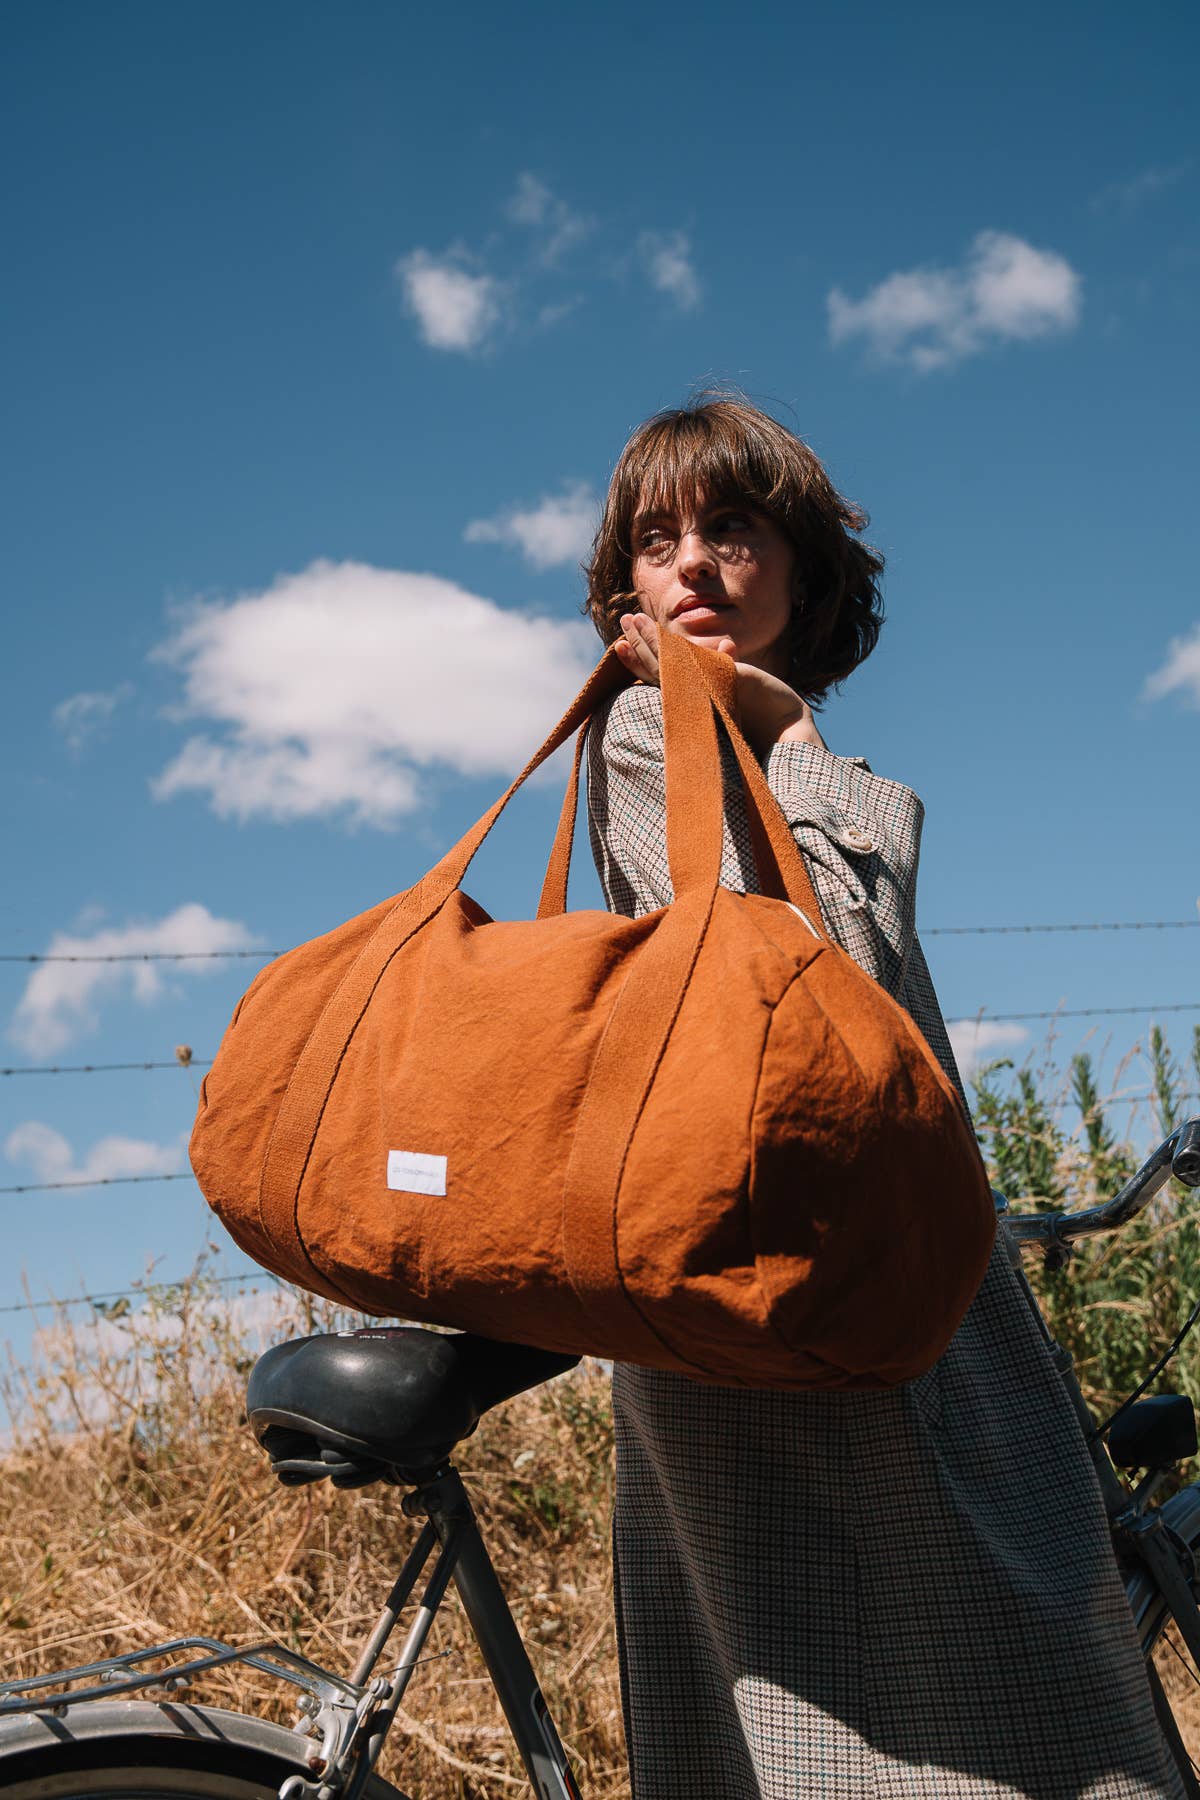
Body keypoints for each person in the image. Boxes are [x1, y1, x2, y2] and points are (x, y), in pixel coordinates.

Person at [581, 396, 1180, 1799]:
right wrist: (790, 740)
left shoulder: (729, 747)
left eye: (733, 527)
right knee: (975, 1711)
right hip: (786, 1310)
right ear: (626, 592)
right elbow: (814, 982)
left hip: (833, 1286)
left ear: (800, 567)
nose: (695, 565)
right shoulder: (653, 740)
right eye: (657, 541)